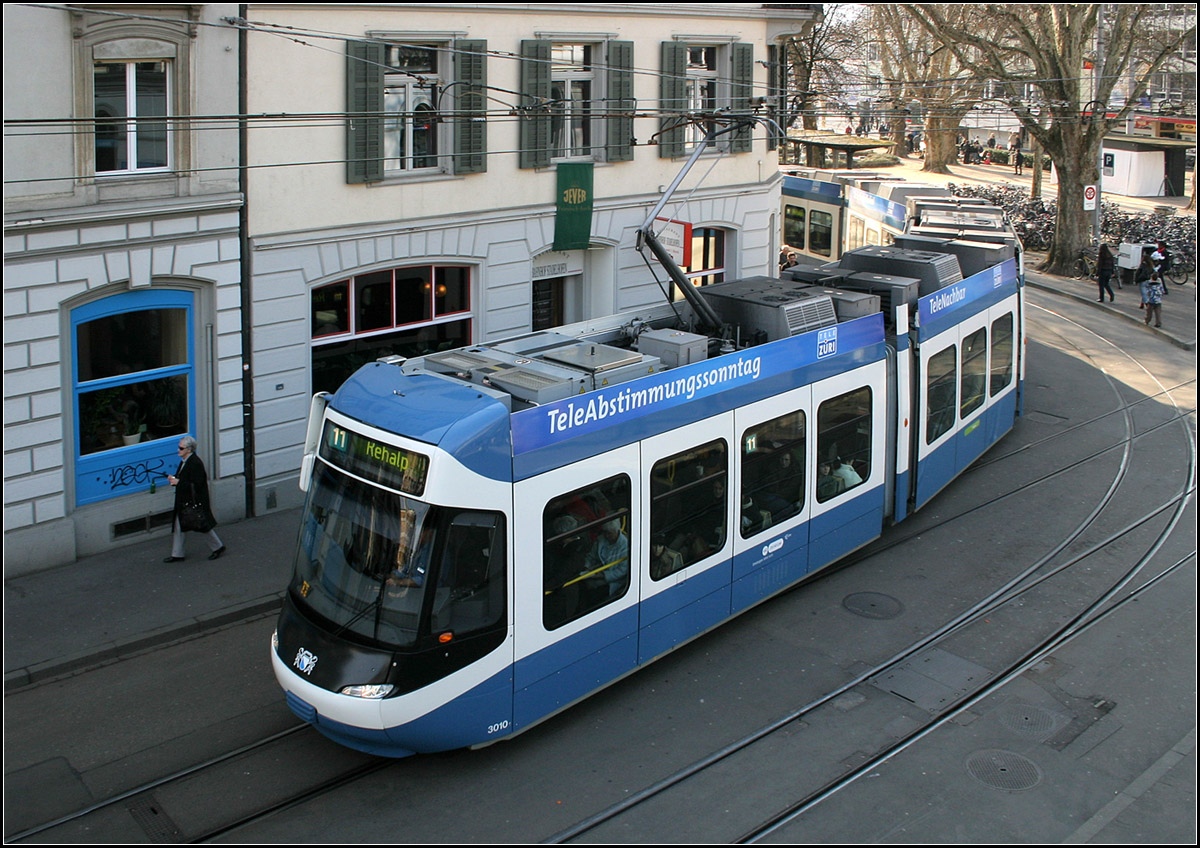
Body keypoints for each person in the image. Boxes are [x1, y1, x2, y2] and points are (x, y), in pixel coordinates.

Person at [163, 435, 224, 562]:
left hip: (193, 500)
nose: (178, 450)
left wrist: (177, 482)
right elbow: (185, 479)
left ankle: (217, 546)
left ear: (189, 450)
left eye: (181, 448)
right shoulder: (185, 461)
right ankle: (177, 553)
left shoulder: (195, 463)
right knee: (179, 525)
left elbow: (196, 484)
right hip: (186, 500)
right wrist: (174, 479)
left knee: (201, 524)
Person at [587, 519, 629, 599]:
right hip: (595, 573)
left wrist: (603, 575)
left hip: (613, 582)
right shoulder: (600, 540)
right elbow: (591, 556)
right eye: (605, 532)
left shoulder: (625, 545)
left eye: (609, 533)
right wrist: (586, 567)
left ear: (617, 531)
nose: (607, 536)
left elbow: (622, 571)